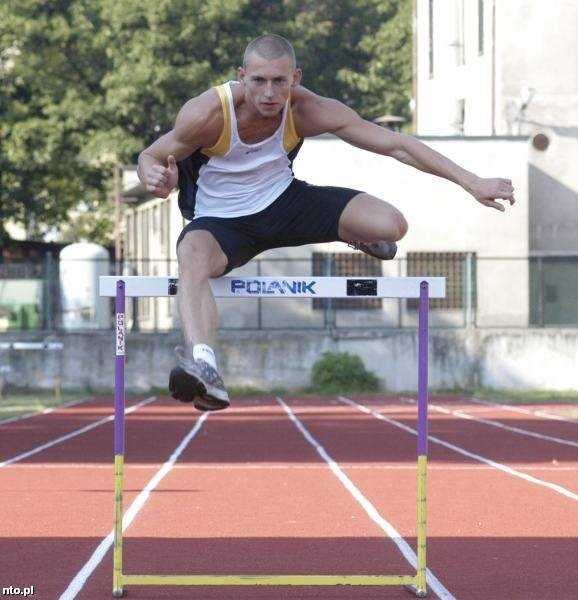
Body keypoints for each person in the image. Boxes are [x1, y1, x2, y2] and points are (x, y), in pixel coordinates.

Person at [138, 34, 515, 412]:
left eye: (279, 82)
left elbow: (396, 144)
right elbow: (150, 156)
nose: (269, 93)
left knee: (391, 224)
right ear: (242, 76)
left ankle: (357, 236)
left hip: (283, 203)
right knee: (191, 253)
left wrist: (471, 182)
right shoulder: (208, 113)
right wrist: (156, 179)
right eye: (258, 81)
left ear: (295, 79)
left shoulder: (307, 109)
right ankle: (205, 366)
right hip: (220, 221)